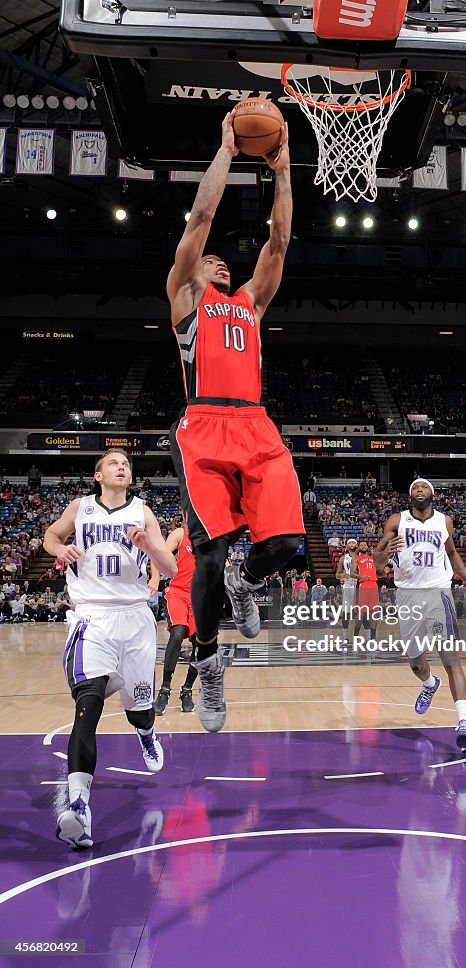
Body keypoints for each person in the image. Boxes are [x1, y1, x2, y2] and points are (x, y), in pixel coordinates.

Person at [167, 111, 304, 733]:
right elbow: (200, 221)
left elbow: (278, 243)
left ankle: (251, 587)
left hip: (256, 426)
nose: (220, 262)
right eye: (211, 259)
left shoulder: (248, 302)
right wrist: (225, 151)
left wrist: (281, 174)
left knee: (284, 546)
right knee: (209, 555)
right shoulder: (186, 299)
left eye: (225, 261)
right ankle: (207, 657)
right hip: (204, 428)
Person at [43, 449, 177, 850]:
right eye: (115, 463)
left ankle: (147, 732)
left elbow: (169, 568)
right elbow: (51, 535)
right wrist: (58, 550)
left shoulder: (143, 512)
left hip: (135, 619)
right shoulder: (80, 507)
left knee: (139, 711)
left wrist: (149, 546)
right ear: (98, 474)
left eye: (127, 465)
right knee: (88, 703)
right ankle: (80, 808)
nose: (123, 467)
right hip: (91, 618)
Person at [374, 478, 466, 750]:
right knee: (416, 664)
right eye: (414, 488)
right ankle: (430, 684)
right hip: (408, 595)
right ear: (410, 496)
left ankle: (464, 722)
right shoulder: (397, 520)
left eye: (423, 487)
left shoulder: (444, 521)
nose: (419, 489)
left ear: (432, 494)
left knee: (450, 657)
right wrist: (386, 552)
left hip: (438, 592)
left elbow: (454, 554)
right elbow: (377, 561)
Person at [150, 524, 199, 716]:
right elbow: (157, 553)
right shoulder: (181, 533)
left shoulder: (212, 539)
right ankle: (165, 689)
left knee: (202, 645)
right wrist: (155, 577)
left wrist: (248, 599)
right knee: (178, 633)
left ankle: (187, 690)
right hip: (177, 593)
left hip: (199, 598)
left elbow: (228, 572)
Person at [352, 538, 379, 642]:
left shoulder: (373, 558)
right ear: (359, 547)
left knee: (374, 612)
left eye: (365, 545)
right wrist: (361, 576)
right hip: (363, 585)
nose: (363, 546)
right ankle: (355, 636)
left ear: (368, 547)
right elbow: (352, 573)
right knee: (361, 612)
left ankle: (373, 639)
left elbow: (380, 571)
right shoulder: (356, 558)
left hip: (374, 585)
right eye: (361, 545)